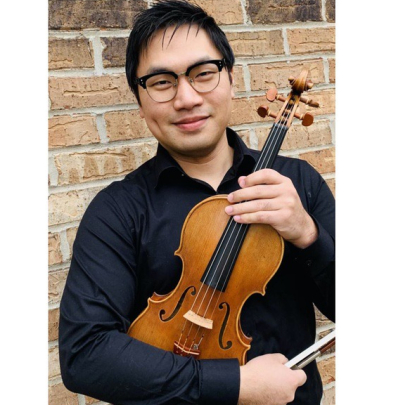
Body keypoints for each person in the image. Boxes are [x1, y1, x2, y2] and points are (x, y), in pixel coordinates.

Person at [58, 1, 335, 404]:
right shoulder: (116, 211)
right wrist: (236, 384)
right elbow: (85, 355)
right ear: (140, 100)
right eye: (161, 82)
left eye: (203, 74)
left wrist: (308, 235)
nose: (186, 98)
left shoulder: (299, 184)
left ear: (231, 79)